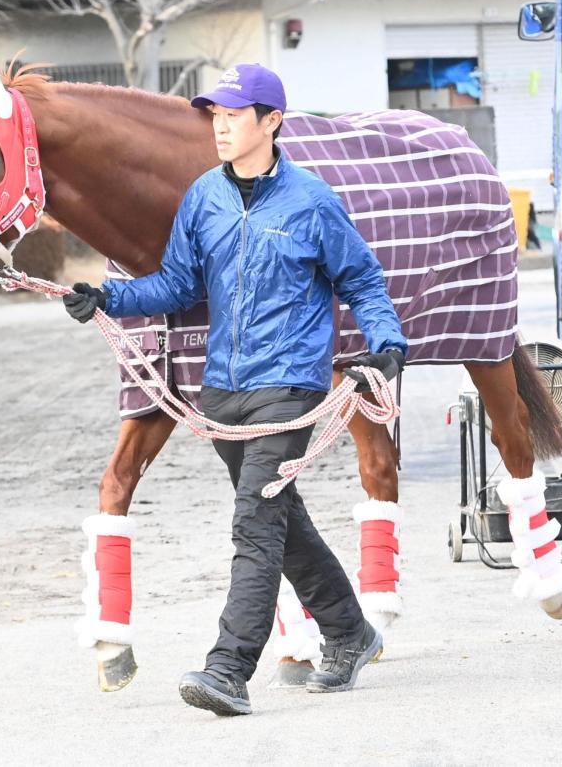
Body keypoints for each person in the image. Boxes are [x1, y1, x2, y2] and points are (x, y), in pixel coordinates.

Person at [63, 63, 408, 716]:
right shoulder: (205, 198)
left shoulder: (311, 201)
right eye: (213, 114)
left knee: (255, 523)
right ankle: (350, 631)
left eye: (233, 114)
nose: (219, 125)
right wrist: (107, 295)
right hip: (221, 393)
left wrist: (386, 342)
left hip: (288, 387)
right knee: (285, 524)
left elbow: (361, 278)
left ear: (271, 121)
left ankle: (228, 669)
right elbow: (177, 285)